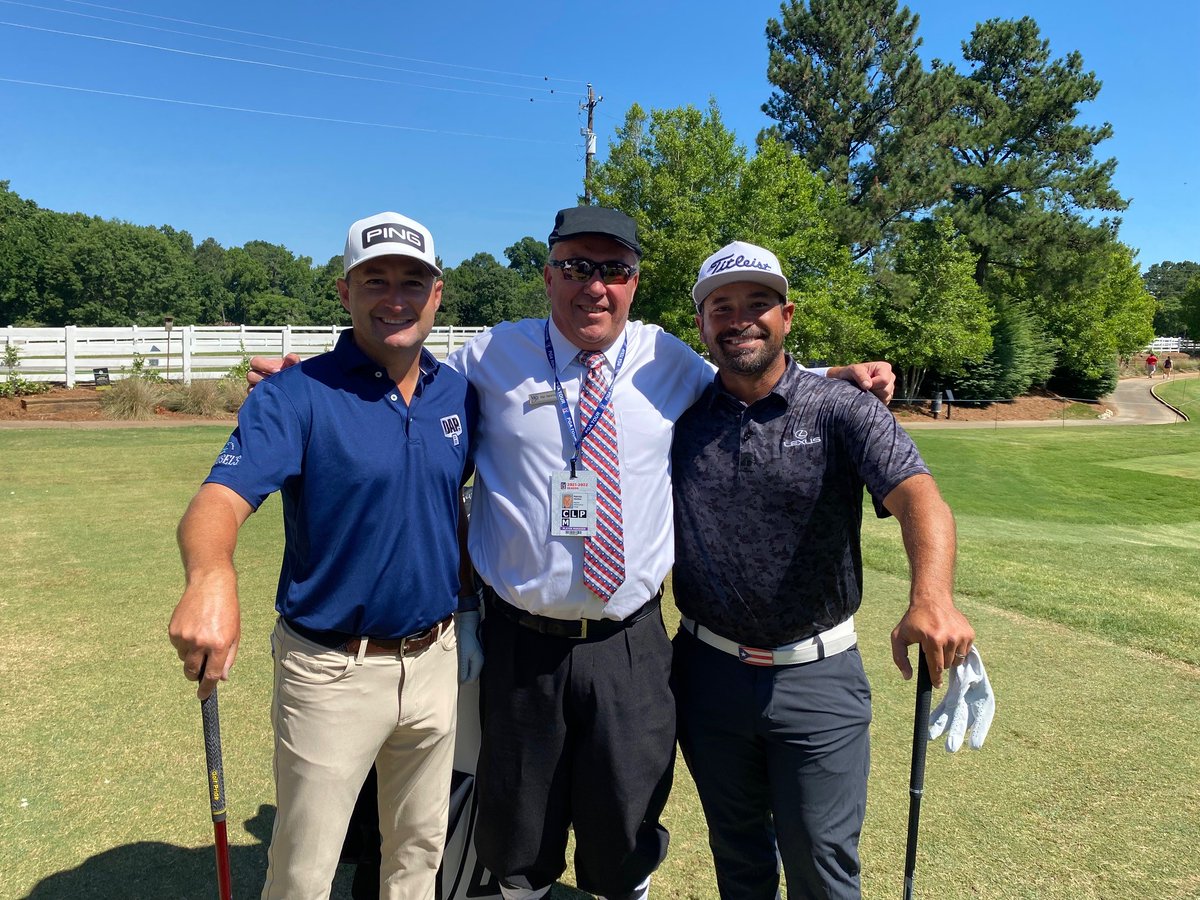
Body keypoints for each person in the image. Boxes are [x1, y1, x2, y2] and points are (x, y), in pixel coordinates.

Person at [249, 207, 895, 900]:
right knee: (518, 832)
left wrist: (835, 374)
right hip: (519, 642)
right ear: (548, 275)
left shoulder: (664, 357)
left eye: (614, 270)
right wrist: (314, 378)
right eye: (576, 267)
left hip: (630, 643)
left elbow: (746, 374)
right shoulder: (493, 354)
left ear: (635, 281)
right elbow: (399, 369)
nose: (595, 286)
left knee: (625, 830)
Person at [169, 210, 482, 900]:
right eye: (375, 281)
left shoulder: (458, 393)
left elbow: (448, 505)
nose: (395, 298)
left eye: (412, 281)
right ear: (344, 292)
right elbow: (218, 501)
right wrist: (211, 574)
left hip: (435, 660)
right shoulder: (294, 395)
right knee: (305, 870)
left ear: (437, 294)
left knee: (418, 853)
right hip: (331, 671)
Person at [669, 241, 983, 900]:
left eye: (758, 304)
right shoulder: (681, 415)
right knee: (739, 857)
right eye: (721, 307)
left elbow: (919, 496)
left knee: (821, 863)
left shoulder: (842, 408)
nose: (739, 320)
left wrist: (932, 596)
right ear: (700, 324)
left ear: (786, 316)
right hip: (706, 675)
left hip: (816, 677)